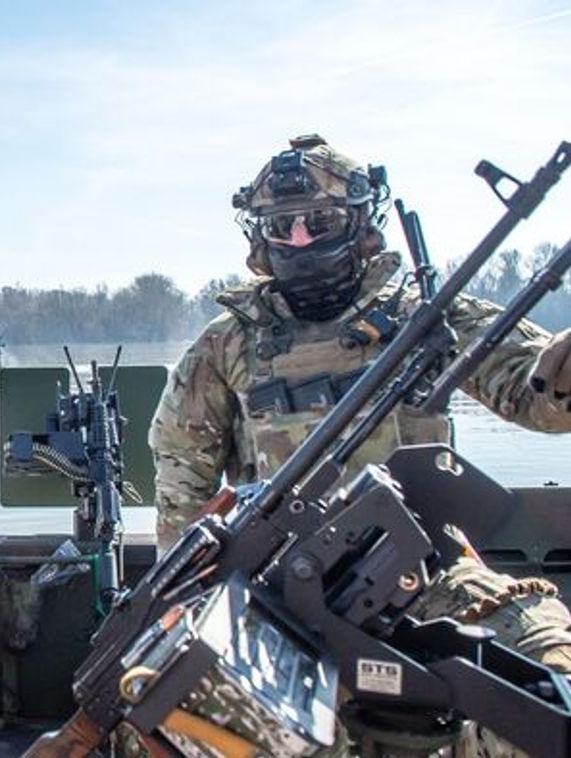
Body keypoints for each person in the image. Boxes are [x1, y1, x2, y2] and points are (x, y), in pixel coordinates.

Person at [148, 134, 571, 753]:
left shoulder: (429, 316)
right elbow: (181, 481)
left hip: (430, 572)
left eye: (318, 222)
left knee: (548, 677)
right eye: (282, 226)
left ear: (359, 224)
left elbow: (533, 389)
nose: (299, 240)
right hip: (283, 595)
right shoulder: (226, 345)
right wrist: (187, 602)